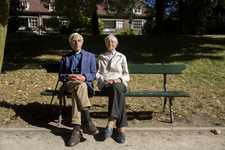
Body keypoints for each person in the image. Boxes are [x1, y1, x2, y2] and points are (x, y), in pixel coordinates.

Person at [58, 33, 99, 147]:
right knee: (79, 87)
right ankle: (88, 121)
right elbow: (60, 76)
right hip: (70, 84)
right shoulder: (66, 57)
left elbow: (94, 74)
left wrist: (84, 77)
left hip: (83, 84)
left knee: (79, 88)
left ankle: (76, 130)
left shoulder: (90, 56)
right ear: (71, 43)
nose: (77, 43)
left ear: (82, 42)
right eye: (74, 41)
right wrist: (69, 76)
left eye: (79, 40)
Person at [96, 34, 130, 143]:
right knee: (117, 92)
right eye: (108, 42)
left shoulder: (121, 56)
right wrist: (106, 81)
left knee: (117, 88)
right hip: (106, 85)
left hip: (119, 83)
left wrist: (118, 80)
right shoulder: (101, 57)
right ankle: (121, 129)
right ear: (105, 44)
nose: (110, 44)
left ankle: (111, 121)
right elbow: (97, 74)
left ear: (116, 44)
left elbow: (127, 74)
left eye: (112, 42)